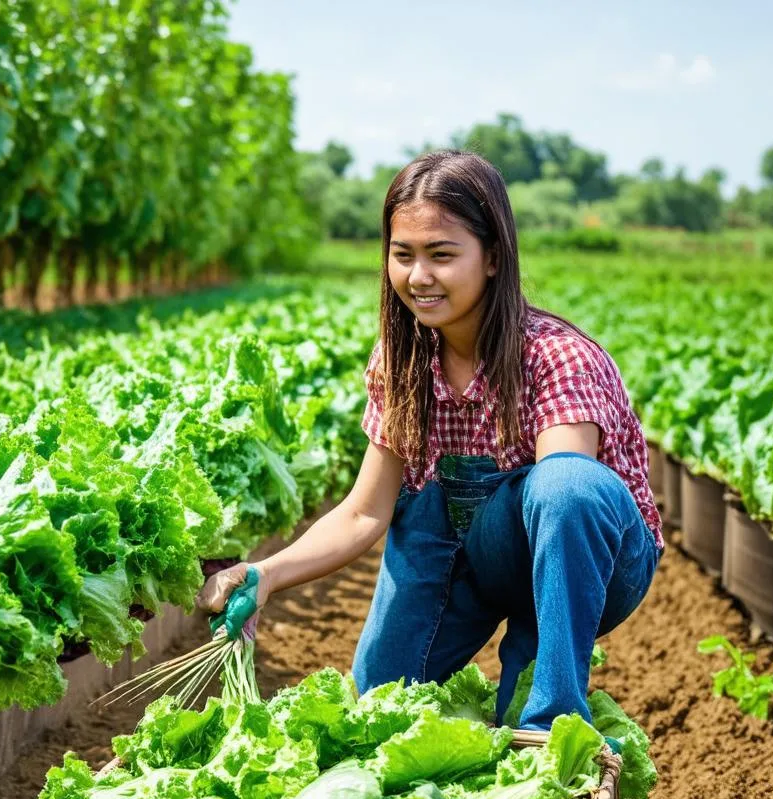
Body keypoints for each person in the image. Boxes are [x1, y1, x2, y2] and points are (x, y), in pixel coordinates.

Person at [196, 150, 662, 732]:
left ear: (492, 258)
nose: (419, 277)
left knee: (562, 483)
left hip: (595, 558)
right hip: (470, 546)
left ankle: (552, 714)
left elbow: (566, 497)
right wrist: (267, 573)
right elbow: (365, 512)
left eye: (442, 255)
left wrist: (527, 653)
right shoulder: (403, 361)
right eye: (403, 255)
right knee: (376, 706)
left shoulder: (554, 355)